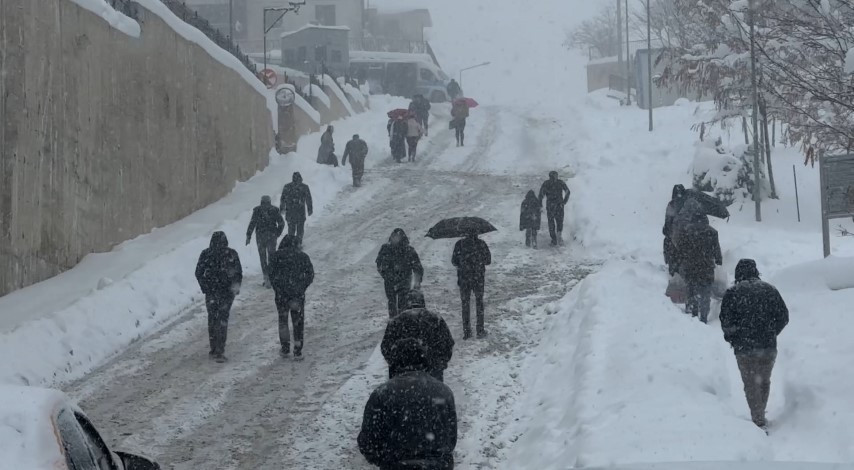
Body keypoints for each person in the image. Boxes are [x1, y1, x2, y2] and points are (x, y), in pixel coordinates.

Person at [358, 339, 457, 470]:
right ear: (425, 361)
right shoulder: (443, 392)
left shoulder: (382, 394)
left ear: (394, 363)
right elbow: (450, 439)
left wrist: (387, 461)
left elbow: (367, 443)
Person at [720, 259, 789, 430]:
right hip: (767, 346)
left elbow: (726, 321)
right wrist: (772, 332)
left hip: (744, 348)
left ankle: (757, 417)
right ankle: (760, 412)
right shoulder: (770, 290)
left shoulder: (733, 293)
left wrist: (733, 338)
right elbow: (784, 317)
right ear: (756, 272)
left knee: (750, 382)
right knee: (764, 380)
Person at [381, 291, 454, 382]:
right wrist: (438, 364)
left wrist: (397, 364)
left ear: (405, 304)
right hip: (432, 375)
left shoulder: (395, 322)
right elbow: (448, 344)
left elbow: (386, 348)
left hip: (401, 376)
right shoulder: (436, 319)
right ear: (423, 303)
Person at [194, 231, 243, 363]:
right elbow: (238, 272)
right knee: (222, 318)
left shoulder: (206, 254)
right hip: (226, 292)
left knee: (212, 318)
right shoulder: (231, 254)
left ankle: (213, 348)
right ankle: (220, 349)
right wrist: (235, 287)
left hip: (211, 291)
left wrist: (205, 286)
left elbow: (198, 272)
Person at [269, 235, 315, 360]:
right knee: (298, 322)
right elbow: (310, 275)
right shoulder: (303, 257)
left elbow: (271, 275)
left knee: (283, 321)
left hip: (281, 295)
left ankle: (285, 348)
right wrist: (301, 287)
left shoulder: (276, 257)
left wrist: (278, 288)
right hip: (297, 295)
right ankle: (298, 350)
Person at [677, 211, 722, 323]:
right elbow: (716, 250)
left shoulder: (686, 231)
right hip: (706, 268)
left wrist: (679, 262)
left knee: (691, 289)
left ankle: (692, 313)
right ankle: (704, 316)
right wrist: (718, 260)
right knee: (705, 292)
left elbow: (680, 250)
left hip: (690, 266)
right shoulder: (712, 232)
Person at [376, 229, 424, 318]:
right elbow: (379, 264)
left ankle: (397, 321)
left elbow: (418, 268)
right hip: (395, 280)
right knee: (394, 302)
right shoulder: (387, 249)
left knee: (400, 301)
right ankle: (397, 320)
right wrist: (385, 274)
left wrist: (417, 282)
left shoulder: (407, 250)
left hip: (401, 280)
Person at [452, 232, 492, 339]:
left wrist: (463, 263)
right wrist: (478, 261)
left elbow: (454, 261)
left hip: (464, 279)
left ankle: (467, 331)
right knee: (479, 303)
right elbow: (488, 261)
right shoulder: (481, 244)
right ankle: (480, 329)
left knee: (465, 305)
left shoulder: (459, 244)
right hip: (478, 278)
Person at [246, 195, 285, 287]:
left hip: (260, 236)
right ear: (270, 201)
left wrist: (248, 236)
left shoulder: (257, 210)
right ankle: (272, 277)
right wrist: (277, 233)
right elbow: (281, 223)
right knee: (271, 256)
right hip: (271, 236)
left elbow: (252, 223)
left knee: (262, 257)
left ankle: (266, 277)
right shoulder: (274, 210)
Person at [280, 172, 313, 247]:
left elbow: (282, 199)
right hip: (300, 213)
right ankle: (298, 244)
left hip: (290, 213)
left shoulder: (287, 187)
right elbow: (309, 199)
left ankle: (291, 245)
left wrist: (282, 208)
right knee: (300, 230)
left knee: (291, 230)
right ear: (300, 178)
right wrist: (309, 209)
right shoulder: (304, 187)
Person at [538, 171, 571, 246]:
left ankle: (554, 240)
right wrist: (564, 202)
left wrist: (540, 205)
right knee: (559, 222)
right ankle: (559, 235)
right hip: (559, 205)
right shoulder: (560, 182)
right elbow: (568, 191)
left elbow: (541, 195)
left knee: (551, 223)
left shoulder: (546, 183)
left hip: (550, 206)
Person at [663, 184, 687, 275]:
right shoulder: (689, 204)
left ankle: (673, 271)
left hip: (674, 238)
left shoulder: (672, 205)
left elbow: (667, 224)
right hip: (689, 237)